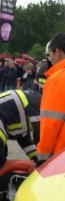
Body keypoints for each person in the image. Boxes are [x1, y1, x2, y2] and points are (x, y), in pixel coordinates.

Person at [37, 33, 65, 163]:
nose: (50, 59)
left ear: (58, 52)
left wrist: (42, 159)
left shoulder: (57, 79)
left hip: (60, 159)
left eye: (50, 54)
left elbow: (50, 124)